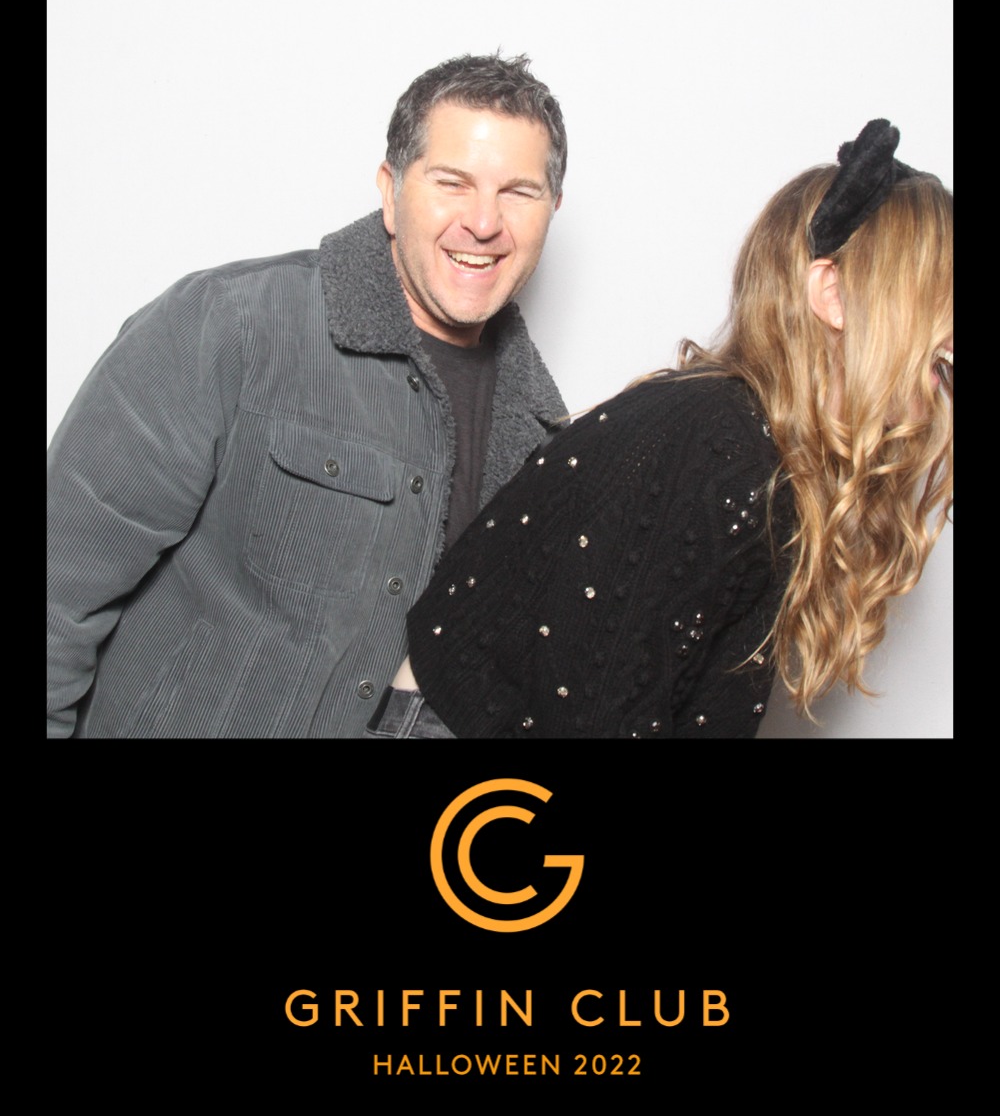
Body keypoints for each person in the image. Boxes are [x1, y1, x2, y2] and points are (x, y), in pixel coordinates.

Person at [366, 119, 953, 738]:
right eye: (935, 294)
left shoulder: (765, 452)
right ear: (831, 293)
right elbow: (592, 714)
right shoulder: (718, 446)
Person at [47, 54, 568, 738]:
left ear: (552, 210)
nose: (483, 221)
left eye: (519, 193)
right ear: (391, 191)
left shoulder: (547, 443)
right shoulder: (232, 325)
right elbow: (58, 587)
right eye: (452, 182)